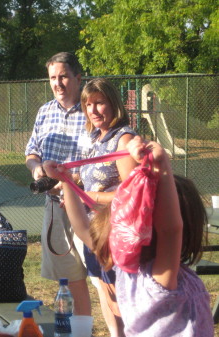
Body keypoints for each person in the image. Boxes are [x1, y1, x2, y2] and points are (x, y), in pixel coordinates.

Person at [44, 136, 214, 336]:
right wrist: (161, 166)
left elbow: (81, 227)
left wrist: (65, 181)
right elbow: (170, 230)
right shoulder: (158, 280)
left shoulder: (124, 267)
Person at [25, 52, 91, 316]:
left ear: (78, 77)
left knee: (103, 280)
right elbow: (32, 153)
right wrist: (36, 169)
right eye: (53, 77)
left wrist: (71, 180)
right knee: (70, 279)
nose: (58, 83)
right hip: (55, 206)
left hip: (89, 206)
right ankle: (81, 332)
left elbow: (102, 161)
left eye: (63, 76)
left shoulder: (92, 109)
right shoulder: (45, 111)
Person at [78, 78, 138, 337]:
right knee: (104, 288)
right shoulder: (95, 137)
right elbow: (90, 178)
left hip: (117, 233)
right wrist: (67, 184)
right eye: (88, 104)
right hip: (94, 230)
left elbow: (134, 194)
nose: (93, 110)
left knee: (121, 296)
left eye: (99, 103)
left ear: (113, 104)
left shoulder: (123, 139)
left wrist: (86, 195)